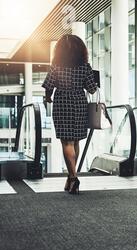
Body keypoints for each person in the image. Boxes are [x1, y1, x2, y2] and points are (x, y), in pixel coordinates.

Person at [42, 34, 98, 194]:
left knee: (66, 142)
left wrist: (47, 98)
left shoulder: (56, 66)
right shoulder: (85, 67)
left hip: (62, 102)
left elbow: (48, 86)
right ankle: (71, 176)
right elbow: (92, 89)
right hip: (80, 103)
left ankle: (73, 178)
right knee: (76, 142)